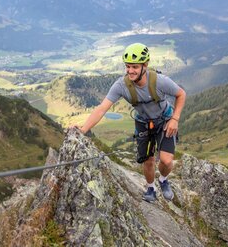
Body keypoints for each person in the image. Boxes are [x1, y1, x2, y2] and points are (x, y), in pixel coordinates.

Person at [76, 43, 186, 202]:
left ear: (145, 66)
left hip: (165, 120)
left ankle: (163, 180)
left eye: (134, 67)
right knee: (147, 160)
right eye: (128, 66)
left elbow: (181, 94)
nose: (130, 71)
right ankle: (151, 188)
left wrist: (175, 119)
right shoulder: (121, 85)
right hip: (143, 123)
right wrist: (83, 129)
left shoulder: (160, 81)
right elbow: (102, 108)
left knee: (166, 160)